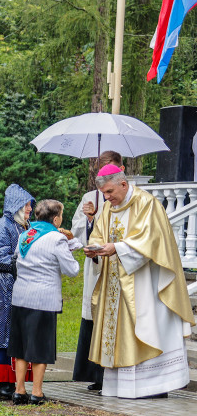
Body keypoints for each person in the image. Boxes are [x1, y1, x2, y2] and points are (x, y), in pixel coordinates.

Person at [85, 165, 194, 398]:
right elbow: (98, 234)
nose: (106, 197)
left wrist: (117, 248)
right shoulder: (107, 209)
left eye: (110, 191)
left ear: (124, 184)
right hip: (113, 282)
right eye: (104, 193)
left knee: (146, 325)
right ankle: (119, 386)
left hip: (144, 282)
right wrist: (95, 250)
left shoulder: (147, 204)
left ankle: (152, 387)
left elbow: (152, 240)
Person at [9, 199, 81, 404]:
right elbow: (72, 270)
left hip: (21, 296)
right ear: (56, 219)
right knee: (41, 347)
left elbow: (16, 257)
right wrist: (70, 248)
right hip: (43, 299)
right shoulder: (56, 239)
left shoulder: (25, 235)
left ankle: (19, 390)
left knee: (21, 347)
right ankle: (37, 392)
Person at [71, 151, 124, 391]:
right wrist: (90, 219)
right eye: (104, 170)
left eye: (113, 169)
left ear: (121, 169)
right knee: (94, 317)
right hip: (97, 267)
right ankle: (96, 374)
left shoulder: (128, 199)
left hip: (119, 266)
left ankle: (116, 375)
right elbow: (77, 234)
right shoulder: (89, 197)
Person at [0, 184, 34, 400]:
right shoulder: (3, 227)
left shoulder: (20, 226)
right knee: (4, 335)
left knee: (15, 335)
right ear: (16, 206)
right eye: (27, 205)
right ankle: (5, 383)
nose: (30, 209)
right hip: (3, 291)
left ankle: (15, 382)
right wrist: (23, 261)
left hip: (17, 288)